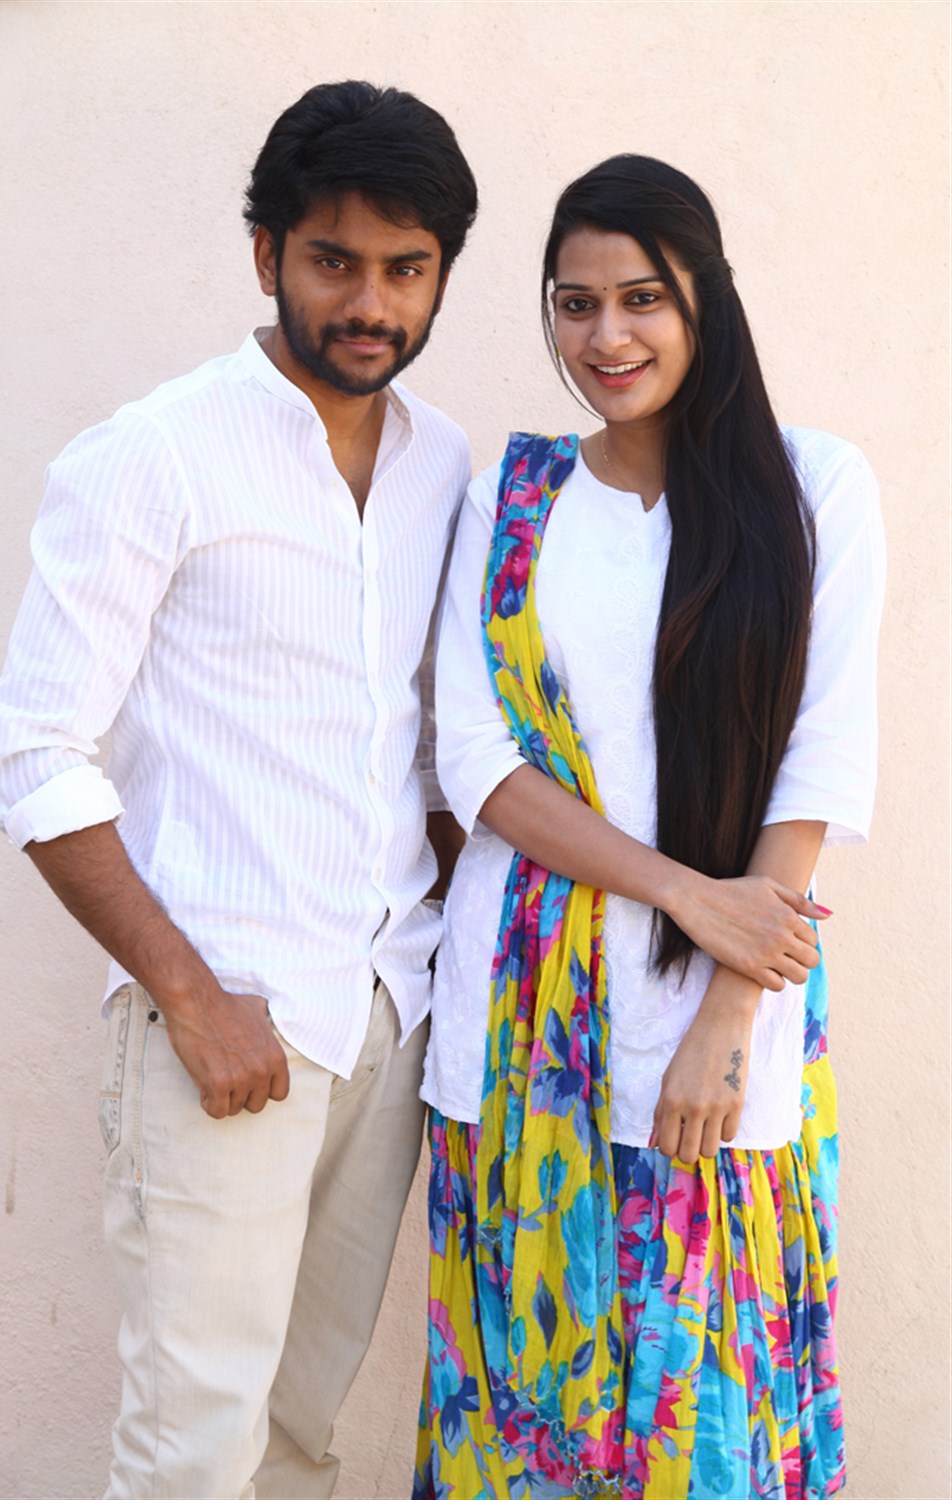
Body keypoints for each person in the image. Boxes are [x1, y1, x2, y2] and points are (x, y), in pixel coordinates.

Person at [0, 80, 477, 1500]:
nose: (370, 303)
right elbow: (29, 753)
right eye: (334, 261)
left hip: (386, 1019)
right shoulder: (159, 452)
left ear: (442, 271)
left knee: (302, 1434)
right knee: (192, 1455)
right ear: (266, 254)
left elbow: (421, 742)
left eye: (406, 268)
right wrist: (192, 1000)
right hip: (223, 1024)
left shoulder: (442, 461)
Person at [415, 155, 884, 1499]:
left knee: (707, 1418)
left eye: (641, 299)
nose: (605, 336)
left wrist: (728, 1013)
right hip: (521, 1025)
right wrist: (685, 892)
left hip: (723, 1010)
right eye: (575, 304)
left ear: (704, 301)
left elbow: (817, 760)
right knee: (522, 1419)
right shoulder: (510, 498)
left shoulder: (813, 488)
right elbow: (477, 761)